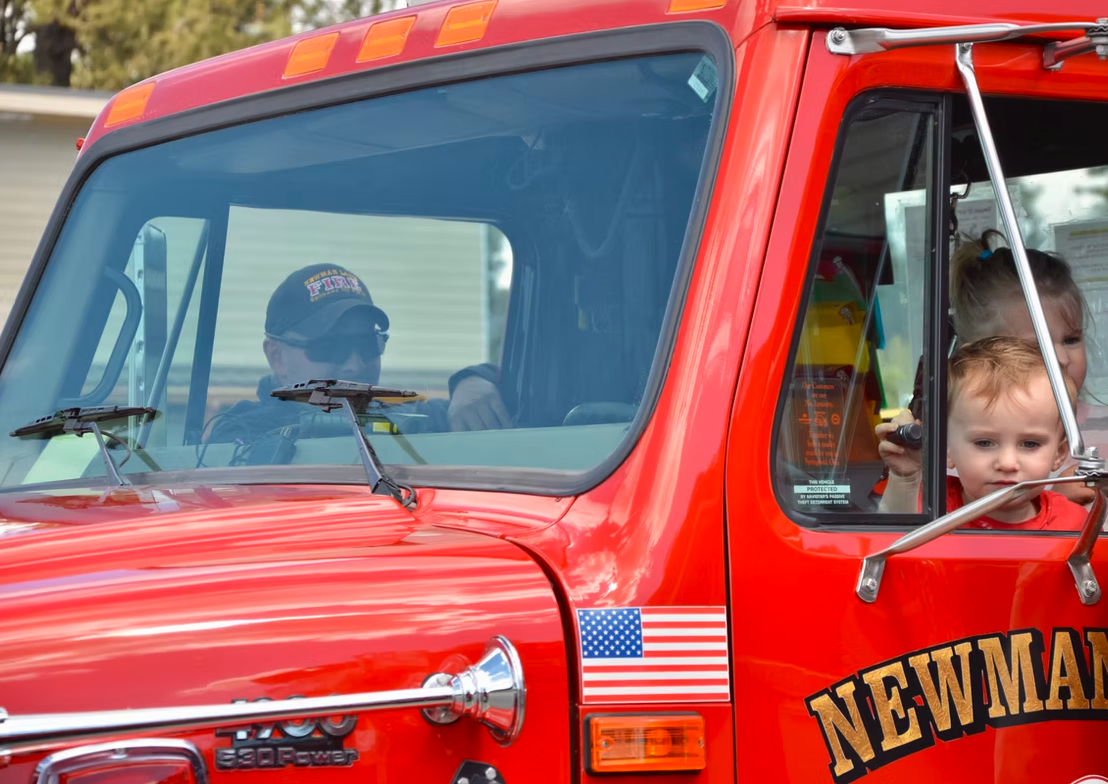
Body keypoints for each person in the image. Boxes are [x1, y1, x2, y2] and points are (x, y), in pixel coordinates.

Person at [207, 263, 510, 444]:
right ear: (277, 357)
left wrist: (473, 381)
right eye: (330, 347)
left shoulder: (412, 418)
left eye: (368, 345)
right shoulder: (238, 437)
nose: (354, 365)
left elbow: (521, 396)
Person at [948, 231, 1108, 504]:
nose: (1062, 358)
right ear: (978, 355)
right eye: (1037, 347)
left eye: (1071, 340)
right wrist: (1055, 502)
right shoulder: (963, 435)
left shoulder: (1103, 427)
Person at [877, 336, 1086, 530]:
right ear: (946, 448)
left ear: (1059, 453)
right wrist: (905, 479)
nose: (1007, 463)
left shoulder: (1073, 525)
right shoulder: (930, 507)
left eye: (1030, 444)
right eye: (984, 443)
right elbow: (893, 540)